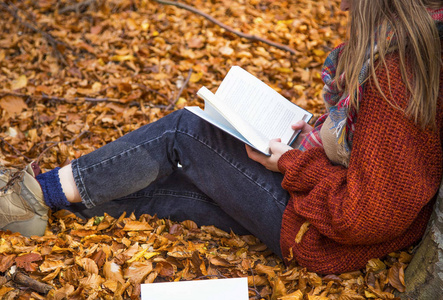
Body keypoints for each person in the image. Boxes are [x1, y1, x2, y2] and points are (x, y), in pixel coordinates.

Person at [1, 0, 442, 275]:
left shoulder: (394, 75)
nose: (337, 7)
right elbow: (372, 160)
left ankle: (34, 194)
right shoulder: (395, 58)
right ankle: (42, 209)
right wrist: (313, 139)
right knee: (183, 183)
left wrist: (292, 163)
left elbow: (365, 215)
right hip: (323, 228)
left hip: (322, 239)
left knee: (184, 132)